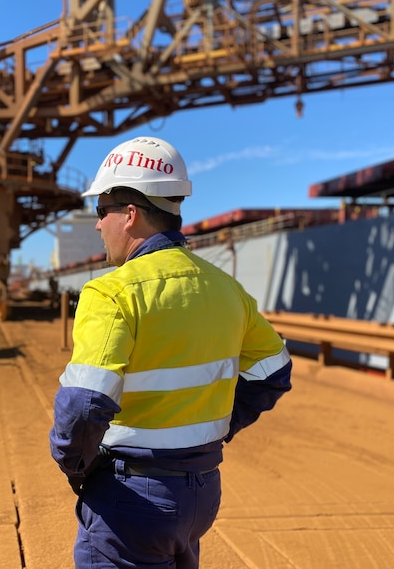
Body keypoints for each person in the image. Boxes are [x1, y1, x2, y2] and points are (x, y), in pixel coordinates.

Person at [49, 136, 292, 569]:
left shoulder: (111, 292)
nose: (97, 224)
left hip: (130, 500)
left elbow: (84, 406)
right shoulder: (226, 288)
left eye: (100, 211)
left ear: (130, 214)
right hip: (200, 494)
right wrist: (218, 427)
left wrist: (78, 466)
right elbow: (273, 371)